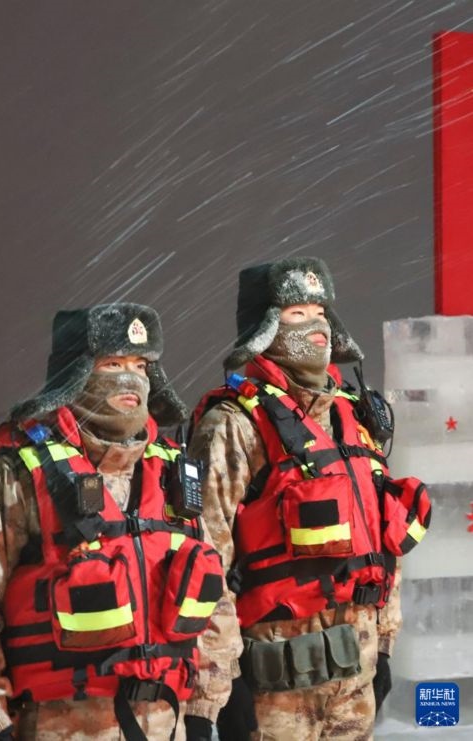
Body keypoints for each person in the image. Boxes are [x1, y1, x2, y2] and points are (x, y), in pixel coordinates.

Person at [0, 303, 242, 741]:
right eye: (112, 364)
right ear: (76, 372)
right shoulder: (20, 475)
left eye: (140, 365)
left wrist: (203, 710)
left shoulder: (173, 475)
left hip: (165, 725)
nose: (130, 378)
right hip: (58, 726)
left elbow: (216, 605)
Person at [189, 257, 431, 741]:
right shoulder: (233, 425)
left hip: (355, 678)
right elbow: (203, 559)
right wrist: (217, 686)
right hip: (274, 685)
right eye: (297, 313)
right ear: (265, 328)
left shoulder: (352, 418)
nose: (317, 326)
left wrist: (384, 645)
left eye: (320, 312)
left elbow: (383, 541)